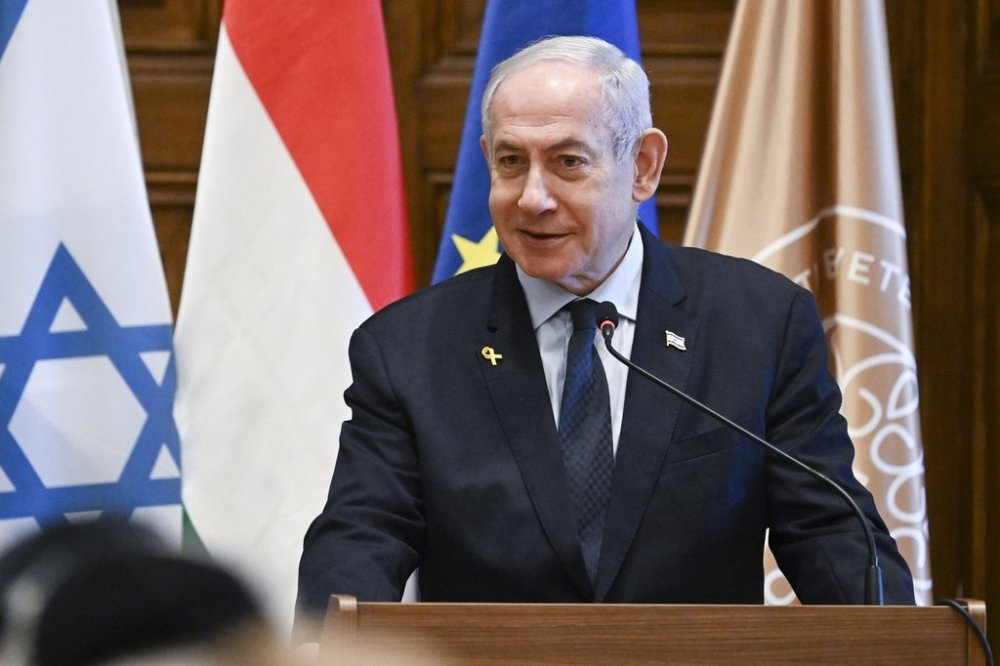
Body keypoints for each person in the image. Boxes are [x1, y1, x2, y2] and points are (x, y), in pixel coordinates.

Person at [295, 35, 915, 633]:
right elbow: (364, 533)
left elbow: (830, 529)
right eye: (511, 162)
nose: (532, 198)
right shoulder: (407, 348)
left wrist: (897, 646)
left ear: (643, 166)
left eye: (568, 162)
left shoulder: (758, 324)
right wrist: (326, 643)